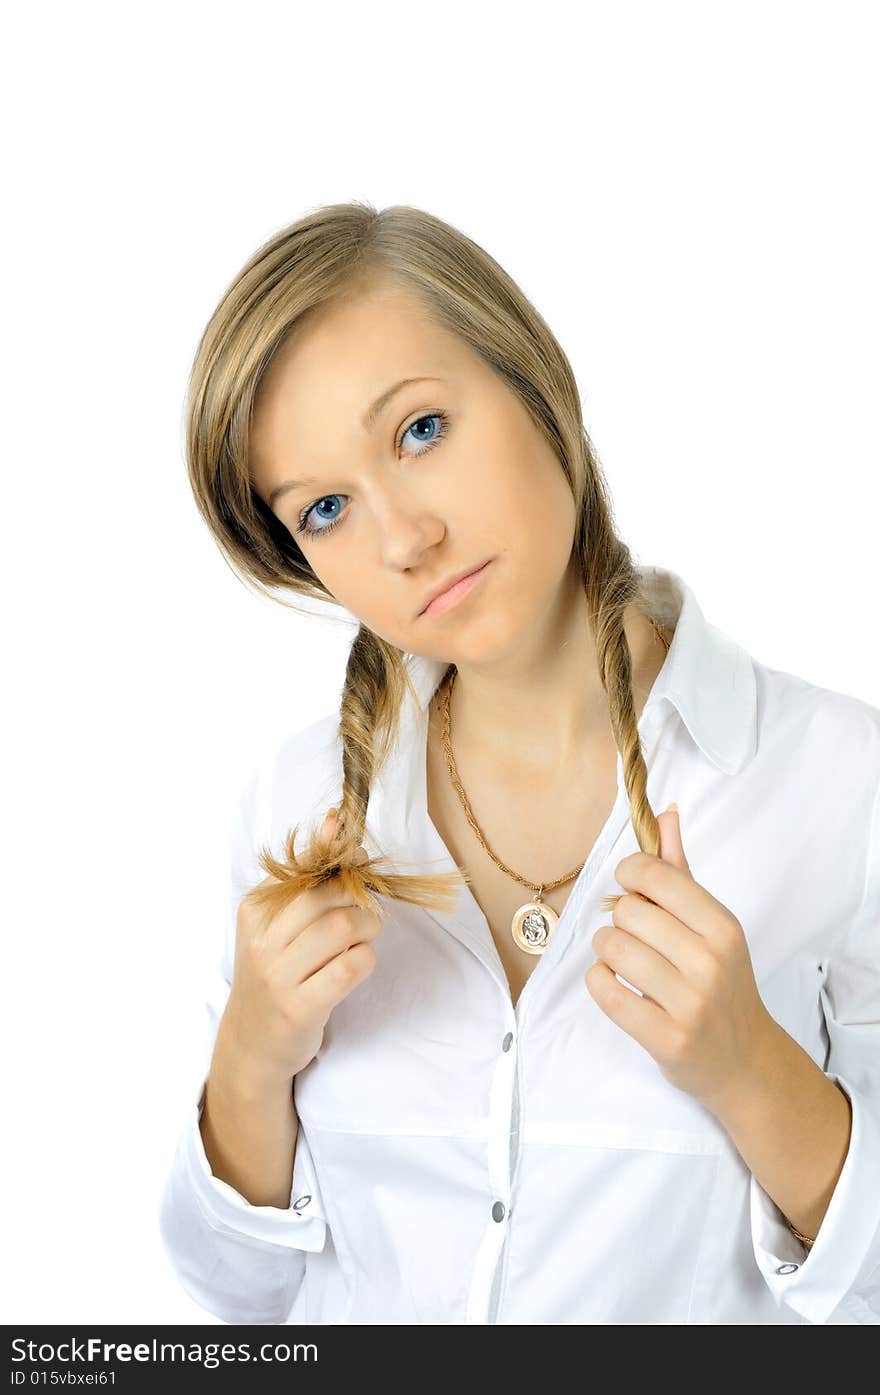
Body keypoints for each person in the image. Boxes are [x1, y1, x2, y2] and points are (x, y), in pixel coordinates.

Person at [158, 202, 880, 1325]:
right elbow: (238, 1299)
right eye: (328, 509)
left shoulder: (841, 784)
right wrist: (250, 1059)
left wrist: (751, 1070)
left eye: (420, 431)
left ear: (532, 376)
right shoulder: (295, 807)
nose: (403, 539)